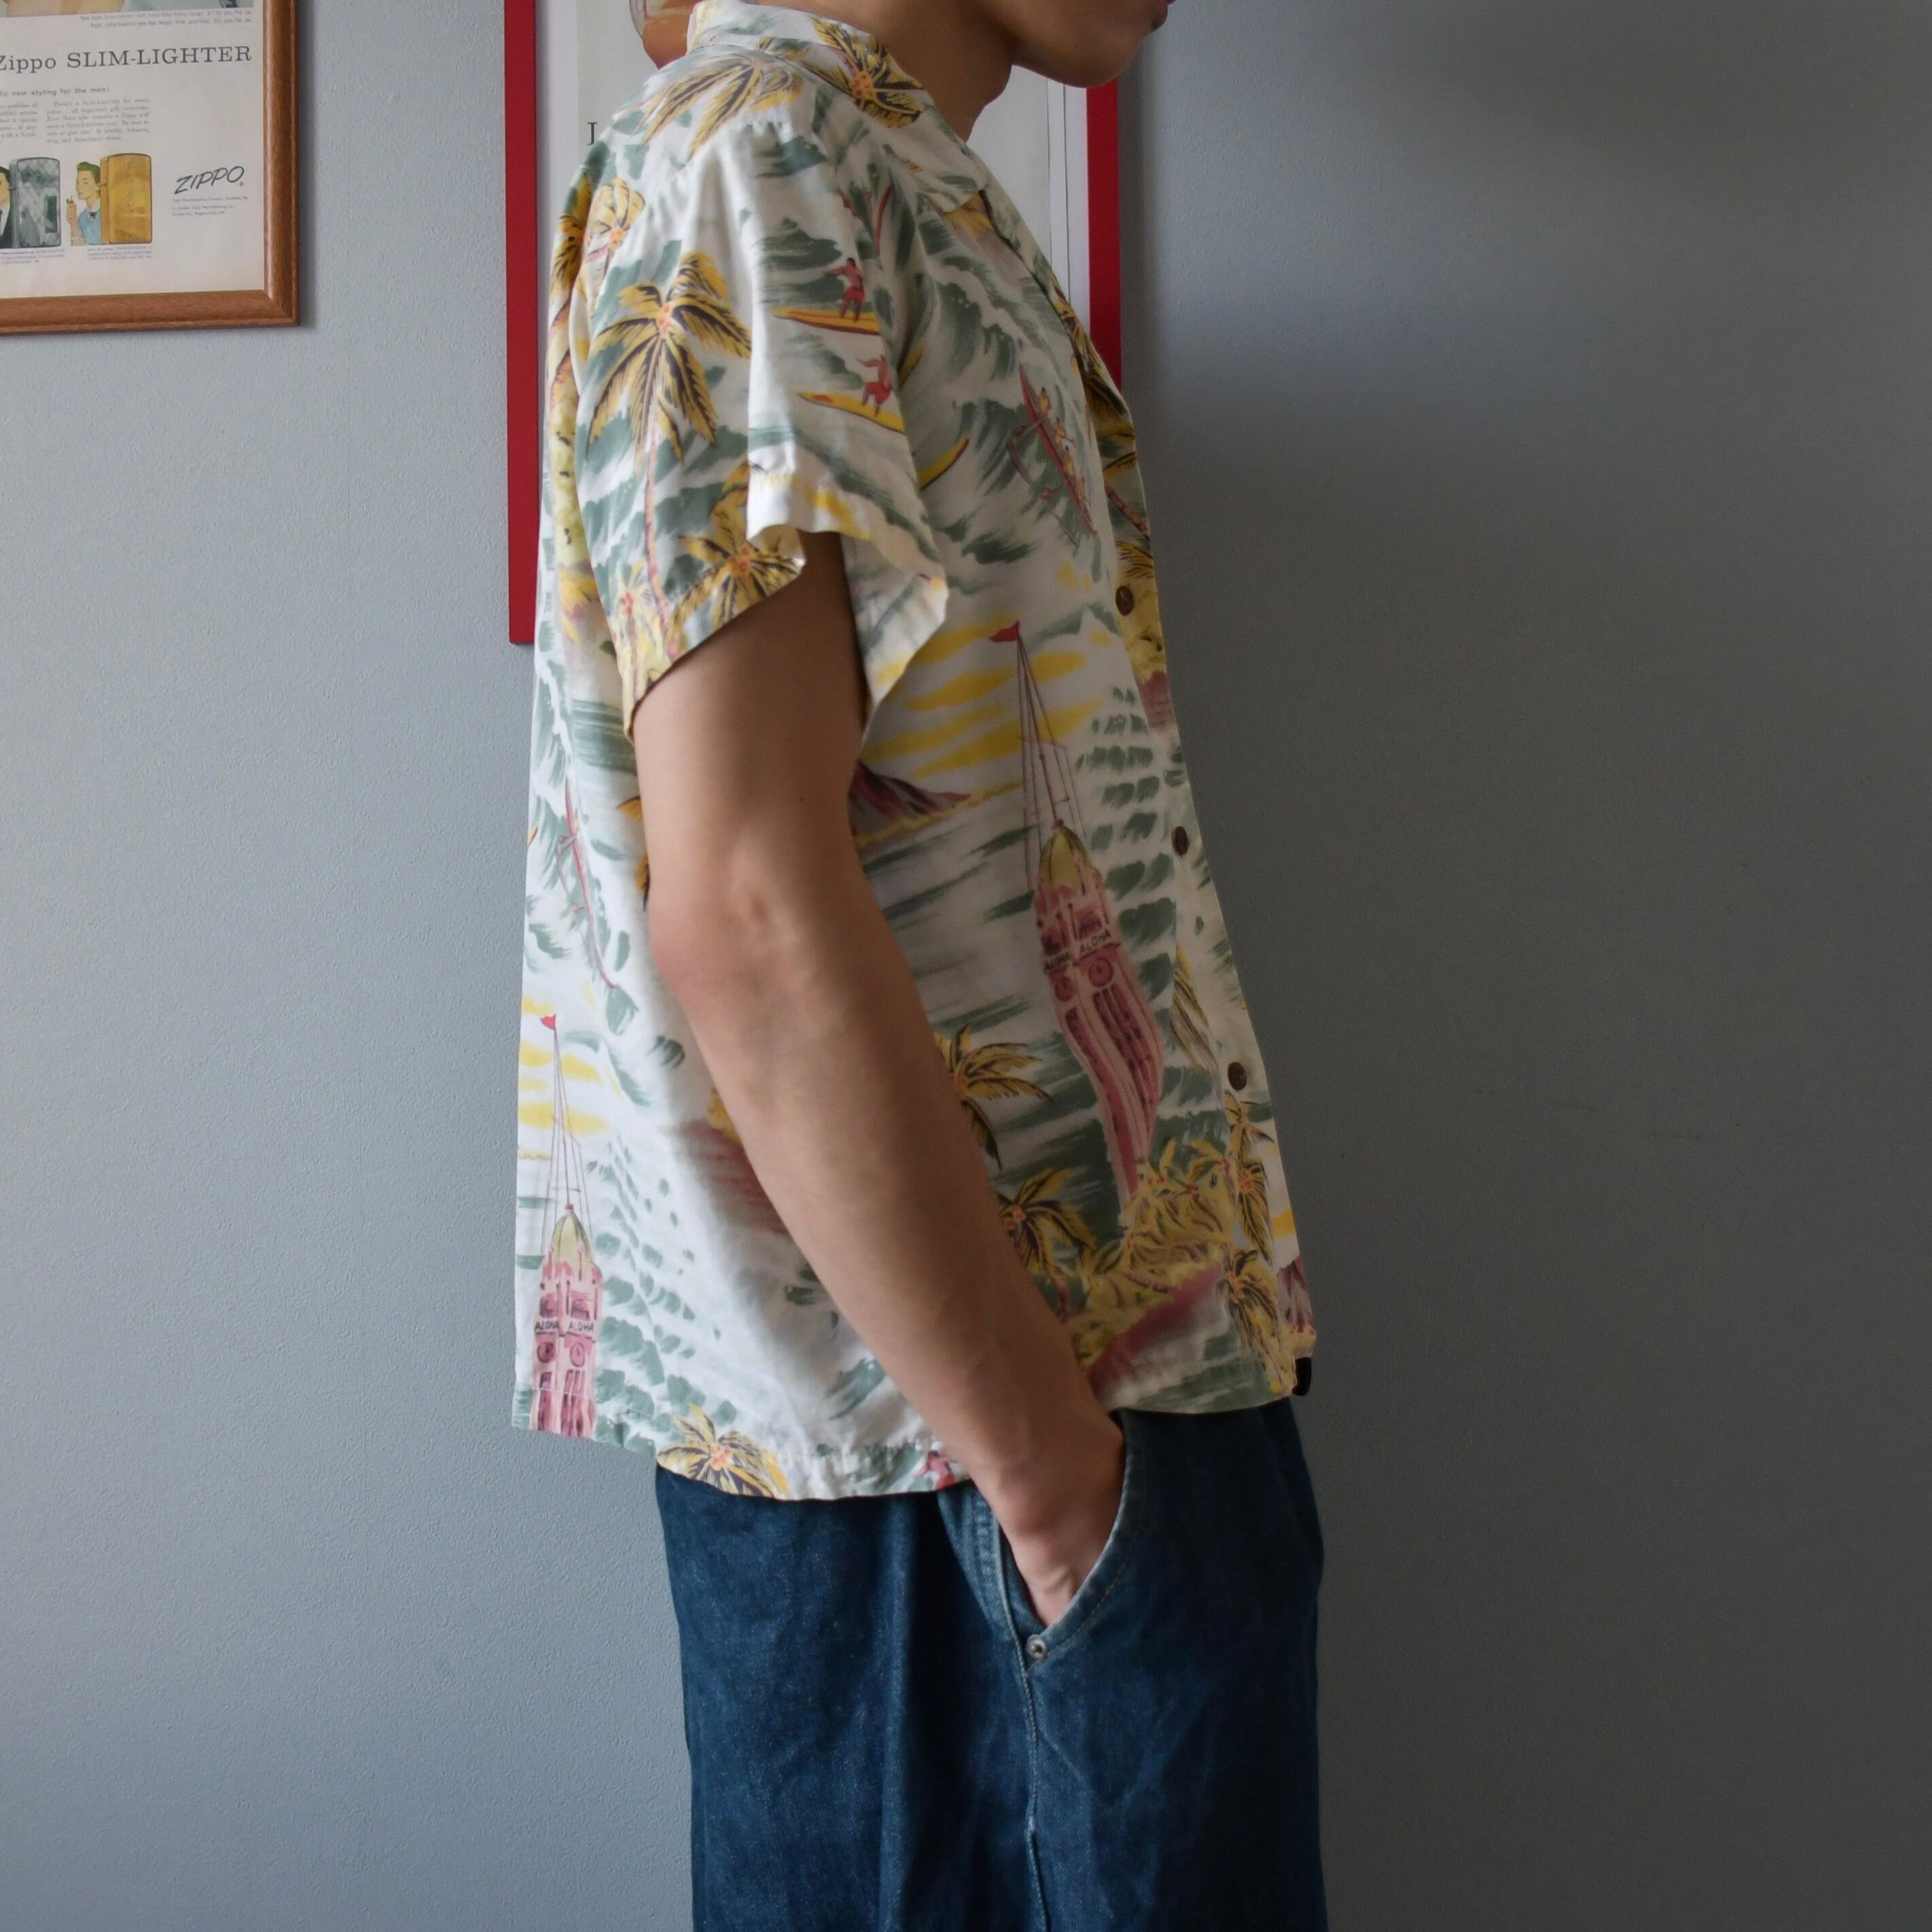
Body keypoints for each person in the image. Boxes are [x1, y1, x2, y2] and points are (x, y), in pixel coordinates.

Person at [514, 3, 1327, 1926]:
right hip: (959, 1479)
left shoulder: (865, 164)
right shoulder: (756, 151)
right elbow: (746, 902)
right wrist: (1054, 1483)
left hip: (1023, 1448)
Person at [65, 161, 101, 246]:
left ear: (98, 186)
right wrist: (74, 224)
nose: (79, 187)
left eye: (85, 183)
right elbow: (78, 249)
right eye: (78, 183)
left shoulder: (107, 213)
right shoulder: (82, 217)